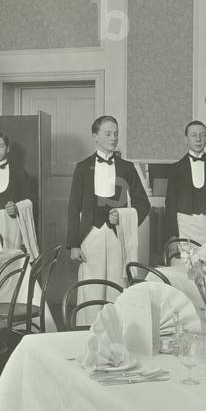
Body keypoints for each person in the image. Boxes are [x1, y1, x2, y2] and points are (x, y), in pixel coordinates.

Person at [67, 116, 150, 321]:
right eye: (108, 133)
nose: (113, 138)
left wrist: (123, 216)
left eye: (116, 133)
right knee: (91, 286)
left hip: (117, 236)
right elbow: (73, 207)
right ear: (95, 137)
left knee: (116, 286)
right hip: (90, 236)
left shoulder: (127, 167)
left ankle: (118, 334)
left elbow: (143, 204)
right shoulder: (83, 167)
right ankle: (87, 333)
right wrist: (74, 244)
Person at [164, 121, 206, 244]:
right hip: (186, 230)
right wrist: (172, 236)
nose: (198, 139)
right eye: (193, 135)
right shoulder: (175, 169)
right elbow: (170, 205)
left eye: (202, 135)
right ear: (186, 139)